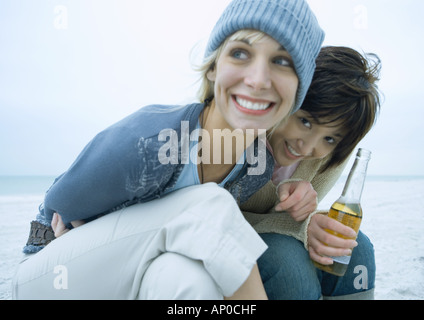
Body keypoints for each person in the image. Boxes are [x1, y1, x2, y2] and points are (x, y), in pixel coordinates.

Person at [12, 0, 324, 299]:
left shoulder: (256, 166)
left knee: (190, 279)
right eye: (240, 53)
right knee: (209, 206)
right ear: (214, 66)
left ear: (299, 88)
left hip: (137, 271)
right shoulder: (151, 142)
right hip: (50, 273)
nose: (257, 80)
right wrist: (82, 250)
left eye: (282, 62)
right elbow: (55, 209)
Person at [241, 46, 382, 299]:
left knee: (356, 248)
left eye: (329, 138)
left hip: (270, 233)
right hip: (231, 236)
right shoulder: (243, 133)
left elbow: (295, 220)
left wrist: (308, 223)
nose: (306, 147)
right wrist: (303, 227)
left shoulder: (331, 155)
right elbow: (213, 215)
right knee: (288, 262)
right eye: (305, 122)